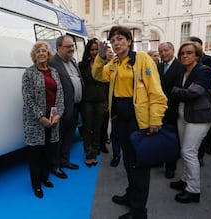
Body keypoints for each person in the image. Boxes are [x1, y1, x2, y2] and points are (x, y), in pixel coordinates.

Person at [92, 25, 167, 219]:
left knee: (139, 165)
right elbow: (98, 75)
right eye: (113, 40)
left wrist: (156, 119)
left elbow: (156, 92)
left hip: (138, 120)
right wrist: (100, 57)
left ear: (129, 41)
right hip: (120, 120)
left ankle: (138, 211)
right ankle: (131, 195)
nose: (116, 43)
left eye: (120, 39)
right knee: (128, 160)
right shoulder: (115, 63)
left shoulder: (142, 59)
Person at [169, 41, 211, 204]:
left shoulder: (204, 70)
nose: (184, 56)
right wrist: (180, 92)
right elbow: (183, 92)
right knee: (185, 150)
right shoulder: (182, 71)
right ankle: (184, 180)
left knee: (189, 152)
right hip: (183, 115)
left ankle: (193, 190)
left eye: (189, 53)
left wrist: (176, 91)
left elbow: (193, 94)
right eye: (182, 53)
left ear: (197, 55)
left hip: (199, 116)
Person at [22, 41, 64, 198]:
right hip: (35, 122)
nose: (41, 53)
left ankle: (45, 178)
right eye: (38, 51)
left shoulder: (54, 72)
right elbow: (27, 97)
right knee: (35, 156)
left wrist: (59, 113)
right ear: (34, 54)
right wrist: (40, 117)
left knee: (48, 153)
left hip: (53, 119)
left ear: (48, 55)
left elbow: (60, 94)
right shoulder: (29, 73)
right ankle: (36, 185)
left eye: (44, 51)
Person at [49, 35, 83, 178]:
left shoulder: (73, 61)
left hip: (75, 107)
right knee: (58, 138)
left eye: (72, 46)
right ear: (58, 48)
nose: (72, 49)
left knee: (69, 136)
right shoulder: (52, 63)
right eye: (68, 46)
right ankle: (55, 166)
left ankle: (65, 161)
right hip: (61, 110)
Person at [157, 42, 184, 179]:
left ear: (173, 50)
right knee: (159, 137)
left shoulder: (181, 67)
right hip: (158, 109)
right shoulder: (159, 66)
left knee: (172, 139)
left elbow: (179, 88)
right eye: (160, 51)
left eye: (166, 50)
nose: (163, 53)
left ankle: (171, 167)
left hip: (173, 109)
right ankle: (159, 160)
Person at [188, 36, 211, 166]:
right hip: (187, 108)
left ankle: (200, 156)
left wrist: (176, 90)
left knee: (193, 146)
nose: (186, 55)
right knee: (188, 148)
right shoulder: (184, 64)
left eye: (191, 51)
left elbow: (196, 90)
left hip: (201, 105)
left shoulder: (208, 62)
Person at [78, 38, 107, 167]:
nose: (94, 52)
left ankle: (94, 151)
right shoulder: (82, 65)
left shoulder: (105, 64)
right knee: (87, 128)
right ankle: (88, 154)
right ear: (88, 51)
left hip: (101, 100)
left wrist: (107, 102)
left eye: (96, 49)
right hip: (87, 101)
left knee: (97, 128)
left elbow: (108, 83)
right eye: (92, 49)